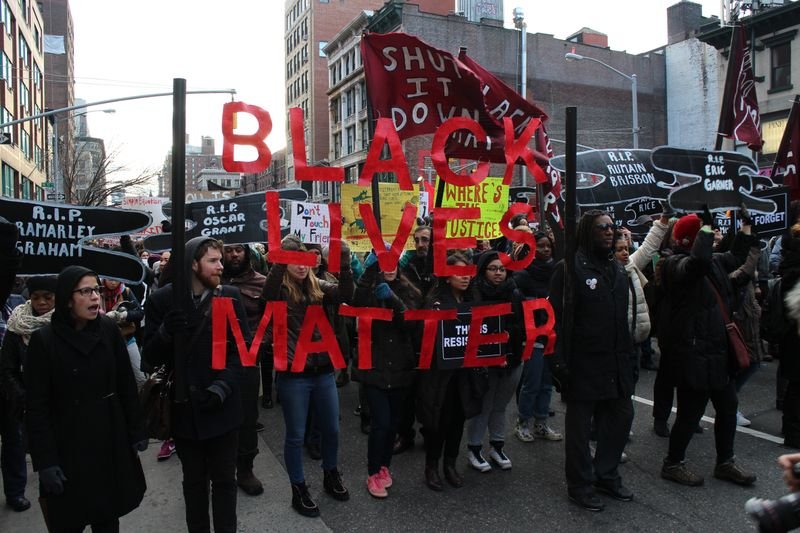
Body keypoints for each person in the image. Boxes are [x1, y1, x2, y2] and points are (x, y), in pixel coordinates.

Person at [25, 266, 147, 532]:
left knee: (107, 518)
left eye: (97, 290)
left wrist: (135, 429)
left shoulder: (107, 328)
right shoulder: (43, 341)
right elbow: (36, 408)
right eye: (86, 291)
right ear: (68, 298)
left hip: (108, 437)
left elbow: (125, 382)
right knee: (70, 520)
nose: (95, 297)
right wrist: (45, 461)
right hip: (67, 445)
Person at [143, 237, 246, 533]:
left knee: (226, 482)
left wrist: (221, 389)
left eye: (220, 260)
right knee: (194, 484)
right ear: (193, 264)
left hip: (223, 409)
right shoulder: (163, 300)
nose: (220, 266)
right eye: (213, 261)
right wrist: (165, 333)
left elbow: (241, 351)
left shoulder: (229, 297)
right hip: (185, 411)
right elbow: (148, 358)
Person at [658, 208, 758, 488]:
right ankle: (673, 463)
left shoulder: (711, 261)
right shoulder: (673, 265)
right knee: (690, 413)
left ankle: (725, 462)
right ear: (692, 239)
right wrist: (705, 226)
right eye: (707, 234)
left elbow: (736, 256)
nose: (714, 238)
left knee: (728, 408)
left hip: (718, 351)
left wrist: (746, 226)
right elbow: (697, 263)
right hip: (694, 354)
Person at [549, 210, 635, 512]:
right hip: (583, 363)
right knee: (580, 430)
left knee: (621, 418)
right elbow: (554, 320)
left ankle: (606, 474)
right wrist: (558, 363)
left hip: (616, 362)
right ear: (587, 231)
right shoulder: (569, 269)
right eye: (602, 228)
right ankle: (580, 484)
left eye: (612, 227)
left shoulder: (618, 269)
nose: (610, 232)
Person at [261, 235, 353, 518]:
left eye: (306, 260)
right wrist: (283, 256)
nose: (302, 266)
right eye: (295, 261)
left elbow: (345, 295)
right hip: (294, 374)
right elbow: (268, 292)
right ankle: (298, 488)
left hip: (323, 370)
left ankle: (330, 474)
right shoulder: (279, 289)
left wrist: (345, 262)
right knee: (296, 435)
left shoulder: (319, 285)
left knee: (332, 429)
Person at [352, 249, 422, 498]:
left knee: (393, 424)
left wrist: (392, 298)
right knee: (380, 424)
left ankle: (384, 467)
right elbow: (356, 301)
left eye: (393, 263)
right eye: (383, 263)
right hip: (375, 368)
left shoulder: (409, 290)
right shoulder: (369, 290)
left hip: (401, 368)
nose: (389, 268)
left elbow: (411, 322)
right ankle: (372, 472)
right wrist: (369, 272)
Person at [417, 252, 477, 492]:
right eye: (458, 273)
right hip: (440, 375)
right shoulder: (435, 301)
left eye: (467, 273)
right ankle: (431, 466)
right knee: (438, 422)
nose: (464, 279)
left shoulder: (472, 299)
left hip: (464, 374)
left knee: (458, 420)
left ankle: (450, 464)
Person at [0, 276, 56, 513]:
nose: (41, 303)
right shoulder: (17, 323)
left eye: (47, 297)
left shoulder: (67, 322)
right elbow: (8, 368)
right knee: (16, 443)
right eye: (36, 298)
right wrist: (22, 397)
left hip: (58, 402)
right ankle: (16, 492)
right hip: (21, 399)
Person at [465, 250, 524, 472]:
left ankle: (497, 446)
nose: (498, 273)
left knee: (500, 406)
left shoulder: (514, 293)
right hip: (485, 360)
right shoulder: (475, 293)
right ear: (483, 270)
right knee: (484, 405)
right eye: (493, 269)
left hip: (511, 358)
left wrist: (510, 336)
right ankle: (474, 447)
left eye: (502, 269)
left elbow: (522, 324)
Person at [221, 243, 267, 496]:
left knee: (247, 417)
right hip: (214, 361)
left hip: (247, 361)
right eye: (229, 250)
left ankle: (246, 469)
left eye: (239, 249)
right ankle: (220, 468)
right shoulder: (208, 279)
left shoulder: (262, 282)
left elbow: (272, 318)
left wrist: (261, 344)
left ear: (247, 252)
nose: (234, 254)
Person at [512, 231, 563, 443]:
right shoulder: (523, 274)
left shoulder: (558, 271)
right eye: (540, 246)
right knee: (531, 382)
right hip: (532, 337)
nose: (545, 249)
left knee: (546, 382)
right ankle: (522, 422)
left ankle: (541, 422)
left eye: (548, 245)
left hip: (551, 335)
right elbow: (517, 307)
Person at [100, 278, 147, 389]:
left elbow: (139, 313)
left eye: (116, 280)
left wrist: (123, 315)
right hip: (105, 342)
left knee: (140, 378)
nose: (113, 282)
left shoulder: (125, 291)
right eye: (110, 279)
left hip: (127, 338)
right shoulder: (97, 293)